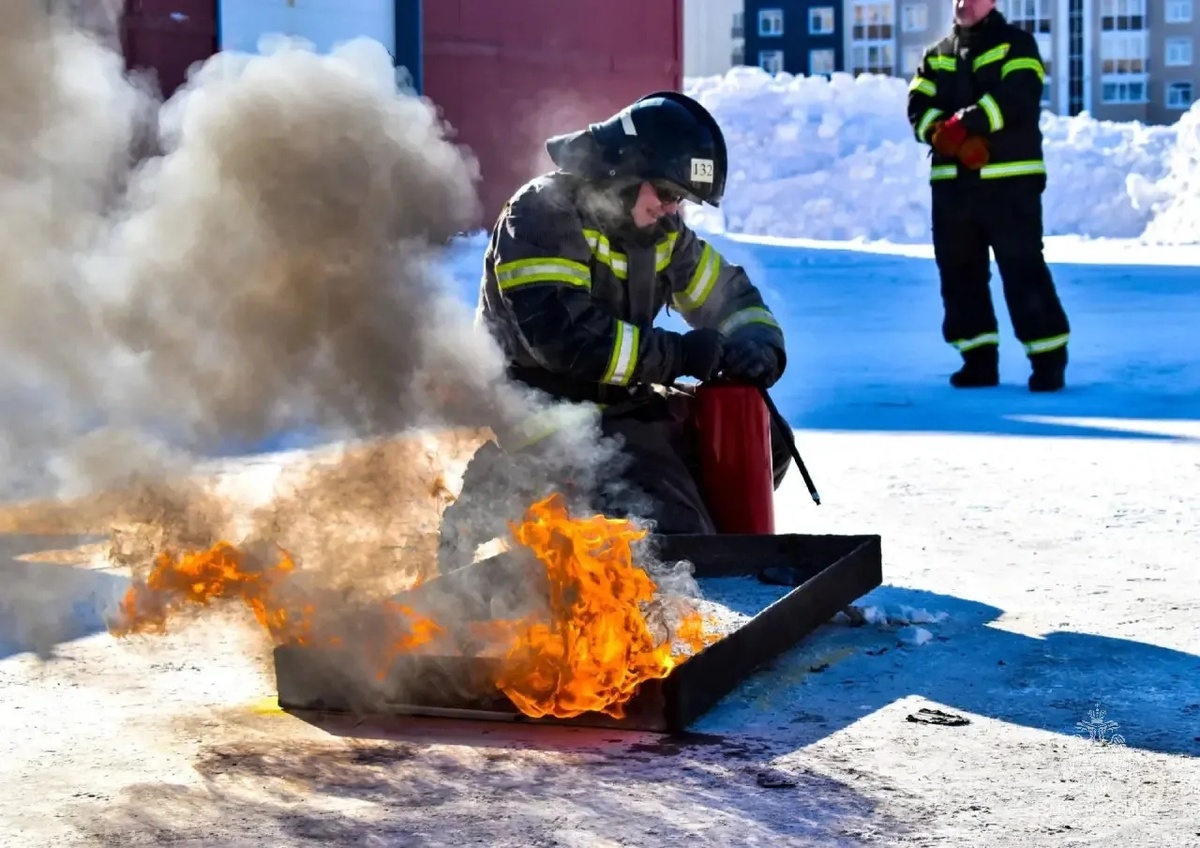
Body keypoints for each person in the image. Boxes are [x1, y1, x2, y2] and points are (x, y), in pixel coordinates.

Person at [437, 90, 790, 572]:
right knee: (674, 530)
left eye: (681, 200)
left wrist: (760, 346)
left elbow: (730, 296)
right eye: (666, 193)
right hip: (543, 410)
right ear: (625, 169)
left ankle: (720, 553)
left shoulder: (660, 234)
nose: (672, 209)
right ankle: (512, 483)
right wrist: (680, 356)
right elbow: (566, 341)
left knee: (762, 439)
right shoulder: (541, 213)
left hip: (620, 401)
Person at [906, 0, 1071, 392]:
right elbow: (918, 105)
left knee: (1023, 269)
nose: (963, 3)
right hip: (952, 186)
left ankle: (1047, 359)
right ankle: (977, 360)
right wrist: (942, 135)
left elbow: (1018, 96)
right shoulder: (937, 54)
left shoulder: (1017, 44)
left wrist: (964, 126)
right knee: (959, 274)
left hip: (1009, 183)